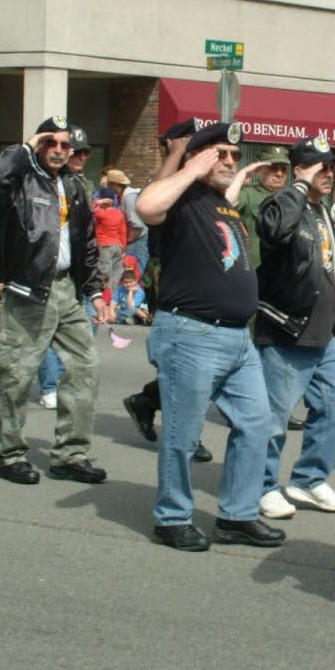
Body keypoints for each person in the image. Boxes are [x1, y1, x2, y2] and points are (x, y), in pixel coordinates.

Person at [135, 120, 286, 552]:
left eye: (235, 156)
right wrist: (189, 164)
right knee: (183, 433)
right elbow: (146, 207)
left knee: (257, 425)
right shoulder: (181, 197)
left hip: (238, 338)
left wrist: (241, 171)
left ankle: (237, 516)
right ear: (199, 158)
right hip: (191, 333)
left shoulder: (222, 203)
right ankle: (172, 516)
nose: (229, 161)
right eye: (221, 153)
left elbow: (231, 188)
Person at [0, 115, 112, 485]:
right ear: (38, 143)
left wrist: (96, 290)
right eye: (50, 143)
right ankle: (11, 454)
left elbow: (85, 240)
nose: (58, 150)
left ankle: (70, 454)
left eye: (65, 145)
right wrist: (22, 148)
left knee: (86, 366)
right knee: (16, 375)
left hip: (67, 289)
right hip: (27, 289)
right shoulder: (19, 179)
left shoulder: (73, 184)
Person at [252, 135, 335, 521]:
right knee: (274, 417)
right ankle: (261, 486)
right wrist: (296, 186)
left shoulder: (320, 208)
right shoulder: (282, 203)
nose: (328, 173)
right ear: (300, 170)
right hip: (286, 329)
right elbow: (274, 233)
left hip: (320, 332)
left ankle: (309, 480)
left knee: (333, 403)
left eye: (331, 166)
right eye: (319, 167)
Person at [121, 120, 212, 464]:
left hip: (200, 275)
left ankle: (146, 401)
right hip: (170, 275)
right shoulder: (166, 182)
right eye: (188, 139)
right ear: (173, 143)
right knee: (185, 358)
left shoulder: (196, 178)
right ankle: (188, 433)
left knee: (201, 359)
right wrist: (177, 154)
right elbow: (154, 196)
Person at [234, 148, 290, 268]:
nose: (279, 173)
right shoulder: (248, 194)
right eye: (273, 168)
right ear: (259, 170)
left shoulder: (292, 198)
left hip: (284, 272)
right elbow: (227, 203)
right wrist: (241, 176)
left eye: (284, 169)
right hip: (257, 269)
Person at [92, 174, 129, 296]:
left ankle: (104, 296)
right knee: (116, 273)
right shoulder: (119, 214)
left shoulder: (100, 213)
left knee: (104, 273)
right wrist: (123, 248)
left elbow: (90, 208)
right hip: (117, 245)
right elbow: (123, 232)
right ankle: (113, 296)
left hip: (104, 245)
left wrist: (98, 202)